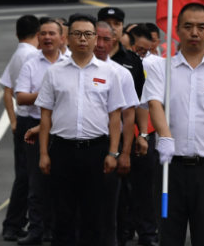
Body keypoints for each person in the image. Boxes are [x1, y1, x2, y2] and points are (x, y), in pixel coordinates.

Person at [143, 3, 204, 246]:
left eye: (201, 27)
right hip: (170, 168)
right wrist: (165, 136)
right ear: (177, 30)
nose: (194, 32)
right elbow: (155, 104)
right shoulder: (161, 68)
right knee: (168, 235)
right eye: (188, 26)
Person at [35, 13, 125, 246]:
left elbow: (115, 116)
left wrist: (113, 152)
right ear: (67, 38)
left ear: (96, 38)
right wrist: (44, 153)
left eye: (88, 34)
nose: (83, 39)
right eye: (77, 34)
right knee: (62, 216)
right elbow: (45, 115)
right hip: (62, 151)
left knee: (93, 216)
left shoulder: (109, 73)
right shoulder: (54, 72)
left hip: (96, 151)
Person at [13, 17, 65, 245]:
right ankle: (35, 231)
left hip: (64, 130)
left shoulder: (71, 62)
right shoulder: (31, 63)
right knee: (36, 182)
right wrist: (47, 92)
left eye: (52, 33)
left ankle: (55, 229)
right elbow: (21, 97)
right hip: (36, 128)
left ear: (62, 38)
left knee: (62, 183)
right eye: (42, 33)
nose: (46, 37)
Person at [94, 20, 140, 246]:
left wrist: (124, 153)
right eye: (96, 38)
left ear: (113, 41)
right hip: (76, 146)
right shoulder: (68, 68)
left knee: (110, 207)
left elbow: (129, 116)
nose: (100, 44)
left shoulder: (120, 73)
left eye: (106, 39)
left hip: (110, 145)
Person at [116, 24, 158, 246]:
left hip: (141, 134)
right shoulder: (103, 63)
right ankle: (121, 232)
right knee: (118, 191)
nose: (141, 54)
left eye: (144, 51)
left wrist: (142, 133)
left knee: (144, 189)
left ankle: (148, 234)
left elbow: (142, 101)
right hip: (113, 136)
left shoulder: (138, 63)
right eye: (138, 49)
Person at [0, 14, 41, 242]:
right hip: (31, 120)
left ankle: (15, 224)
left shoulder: (17, 54)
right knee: (28, 176)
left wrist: (12, 119)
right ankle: (14, 223)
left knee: (23, 175)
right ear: (38, 33)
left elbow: (7, 89)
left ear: (17, 34)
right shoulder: (34, 57)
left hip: (22, 120)